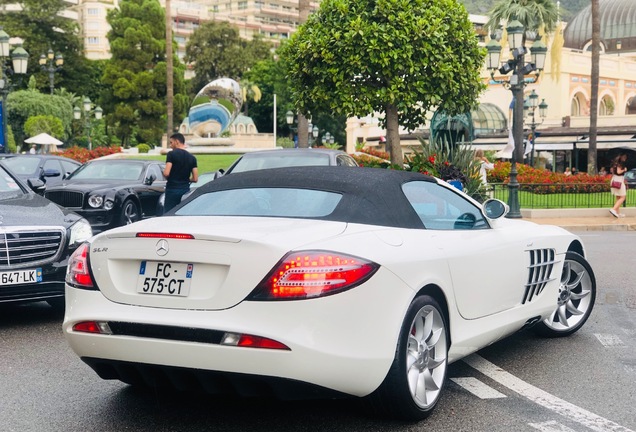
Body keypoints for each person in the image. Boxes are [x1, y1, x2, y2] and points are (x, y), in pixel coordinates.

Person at [163, 133, 198, 212]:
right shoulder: (192, 158)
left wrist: (165, 175)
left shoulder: (171, 154)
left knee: (169, 213)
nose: (170, 145)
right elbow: (195, 178)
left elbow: (166, 173)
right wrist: (187, 179)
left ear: (177, 142)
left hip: (172, 189)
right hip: (185, 190)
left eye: (171, 142)